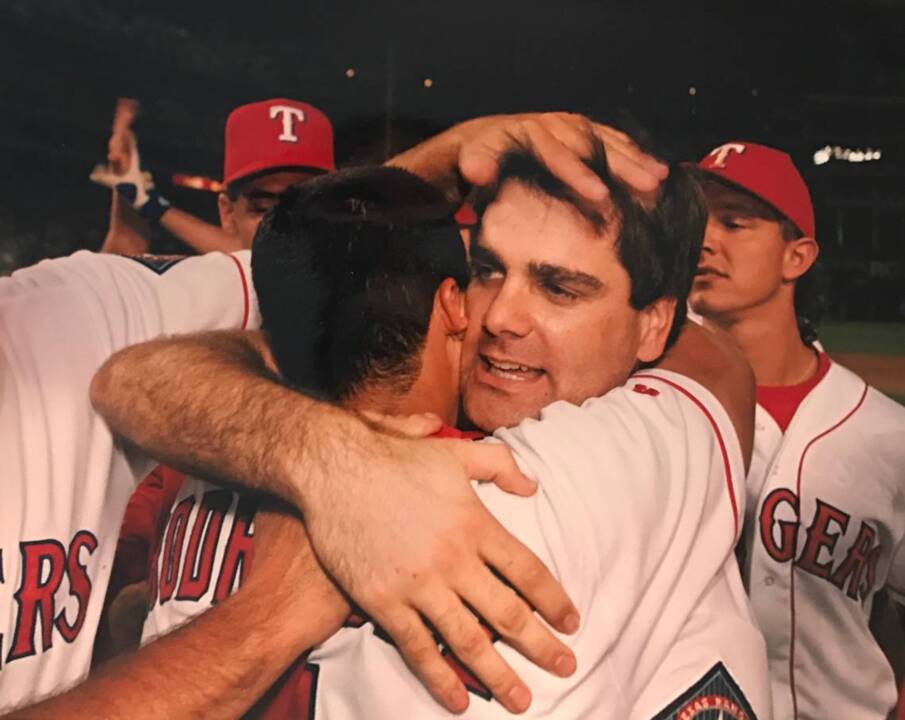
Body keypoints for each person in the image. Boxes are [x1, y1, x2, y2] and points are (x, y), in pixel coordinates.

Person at [0, 112, 663, 716]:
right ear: (454, 302)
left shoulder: (195, 421)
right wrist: (259, 617)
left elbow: (310, 266)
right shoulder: (557, 475)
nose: (506, 316)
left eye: (556, 287)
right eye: (488, 273)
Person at [689, 141, 905, 719]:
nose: (705, 240)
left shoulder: (887, 435)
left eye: (735, 223)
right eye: (696, 221)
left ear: (797, 257)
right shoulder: (643, 407)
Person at [92, 98, 335, 255]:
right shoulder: (212, 289)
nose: (287, 223)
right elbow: (124, 252)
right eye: (263, 208)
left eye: (308, 204)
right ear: (227, 213)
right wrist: (135, 194)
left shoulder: (359, 284)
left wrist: (149, 202)